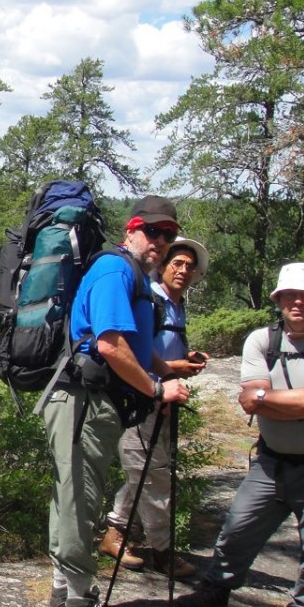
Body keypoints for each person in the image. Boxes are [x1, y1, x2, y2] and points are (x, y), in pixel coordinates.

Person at [177, 262, 304, 607]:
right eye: (289, 295)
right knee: (238, 526)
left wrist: (273, 401)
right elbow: (250, 401)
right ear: (278, 299)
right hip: (271, 460)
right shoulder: (262, 340)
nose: (297, 302)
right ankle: (216, 590)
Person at [42, 195, 191, 607]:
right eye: (153, 231)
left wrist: (165, 370)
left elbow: (134, 343)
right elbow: (109, 345)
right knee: (80, 503)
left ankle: (61, 601)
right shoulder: (114, 269)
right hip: (83, 402)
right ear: (132, 229)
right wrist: (156, 389)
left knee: (71, 499)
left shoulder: (136, 278)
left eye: (168, 235)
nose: (160, 241)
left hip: (92, 403)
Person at [100, 238, 210, 576]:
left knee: (145, 471)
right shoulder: (149, 298)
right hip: (142, 398)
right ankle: (163, 552)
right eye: (177, 263)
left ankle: (115, 533)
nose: (184, 270)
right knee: (153, 476)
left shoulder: (176, 305)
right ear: (162, 266)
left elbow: (161, 346)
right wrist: (172, 371)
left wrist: (184, 359)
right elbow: (133, 352)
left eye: (189, 266)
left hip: (164, 398)